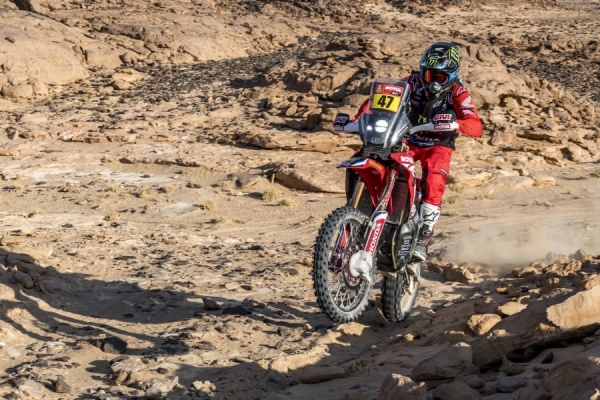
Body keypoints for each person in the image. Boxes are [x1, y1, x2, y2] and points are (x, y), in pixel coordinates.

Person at [352, 41, 483, 261]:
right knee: (374, 156)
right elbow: (376, 101)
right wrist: (359, 119)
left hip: (438, 145)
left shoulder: (458, 92)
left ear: (451, 75)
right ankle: (365, 209)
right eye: (430, 75)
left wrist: (457, 124)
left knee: (434, 179)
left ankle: (423, 234)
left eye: (440, 77)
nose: (433, 82)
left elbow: (476, 125)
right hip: (407, 139)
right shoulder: (409, 83)